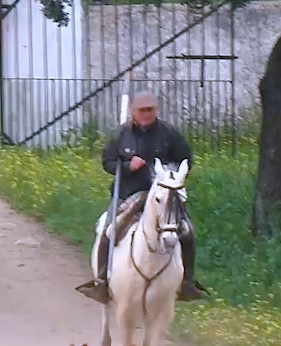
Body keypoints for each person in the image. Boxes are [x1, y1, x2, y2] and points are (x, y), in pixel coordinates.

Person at [76, 92, 205, 304]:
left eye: (150, 110)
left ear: (157, 110)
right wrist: (127, 166)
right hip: (129, 193)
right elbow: (108, 162)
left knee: (187, 231)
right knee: (109, 229)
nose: (146, 114)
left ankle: (187, 283)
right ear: (133, 112)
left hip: (163, 194)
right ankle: (101, 282)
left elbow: (185, 160)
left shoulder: (170, 134)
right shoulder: (122, 134)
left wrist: (167, 173)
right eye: (142, 110)